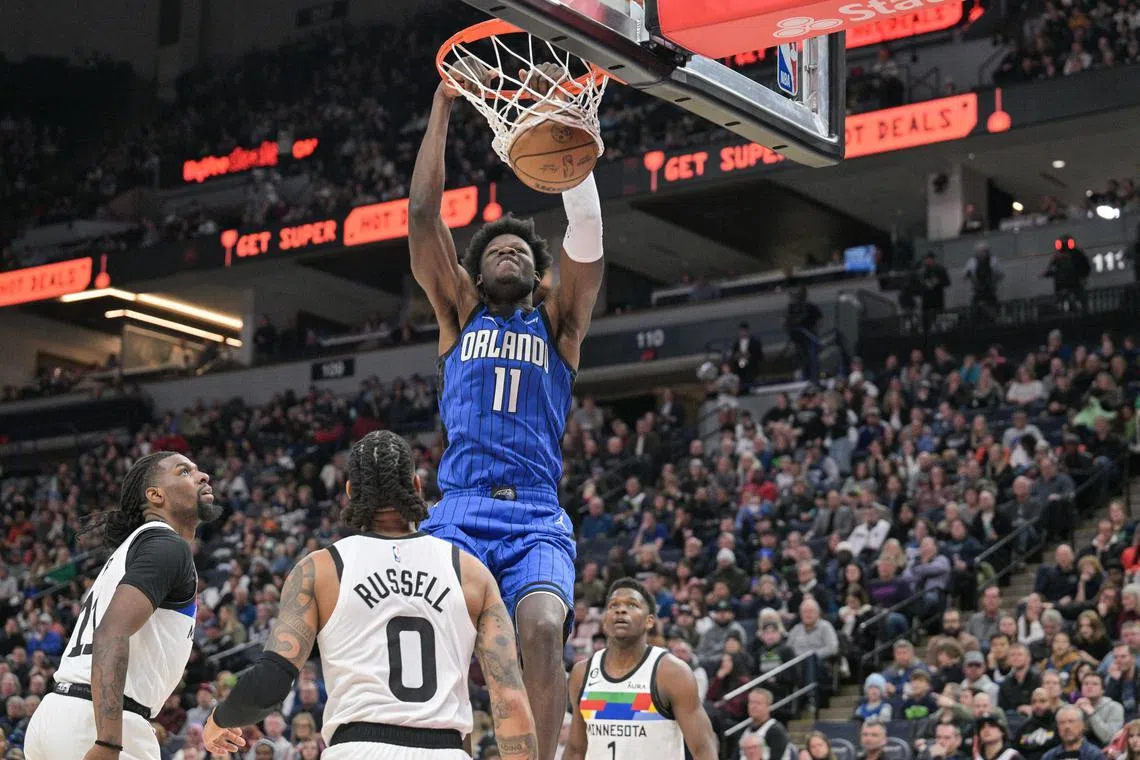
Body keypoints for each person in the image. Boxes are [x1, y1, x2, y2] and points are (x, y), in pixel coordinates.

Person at [409, 57, 606, 760]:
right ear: (475, 270)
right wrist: (443, 105)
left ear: (537, 273)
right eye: (496, 250)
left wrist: (563, 125)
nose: (509, 254)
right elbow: (423, 216)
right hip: (458, 511)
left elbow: (587, 229)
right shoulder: (458, 315)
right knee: (431, 632)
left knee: (545, 632)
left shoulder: (559, 326)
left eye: (521, 251)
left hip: (534, 515)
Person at [202, 431, 539, 760]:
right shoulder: (471, 573)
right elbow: (509, 698)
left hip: (356, 747)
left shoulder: (320, 570)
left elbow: (272, 680)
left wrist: (220, 719)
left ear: (350, 491)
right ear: (416, 485)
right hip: (445, 749)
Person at [25, 452, 223, 760]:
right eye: (184, 471)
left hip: (61, 715)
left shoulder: (135, 549)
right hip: (95, 724)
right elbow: (110, 633)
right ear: (155, 495)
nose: (203, 476)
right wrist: (108, 741)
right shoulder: (166, 545)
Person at [563, 579, 718, 760]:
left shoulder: (672, 673)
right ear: (604, 620)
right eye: (613, 606)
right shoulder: (582, 673)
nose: (620, 610)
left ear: (649, 621)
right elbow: (576, 749)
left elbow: (703, 750)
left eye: (632, 605)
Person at [737, 688, 793, 760]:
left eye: (758, 703)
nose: (753, 706)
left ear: (768, 706)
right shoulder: (745, 732)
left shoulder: (776, 731)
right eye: (751, 702)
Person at [1042, 705, 1107, 760]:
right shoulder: (1049, 757)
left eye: (1071, 721)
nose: (1067, 726)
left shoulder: (1095, 756)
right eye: (1062, 723)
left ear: (1082, 725)